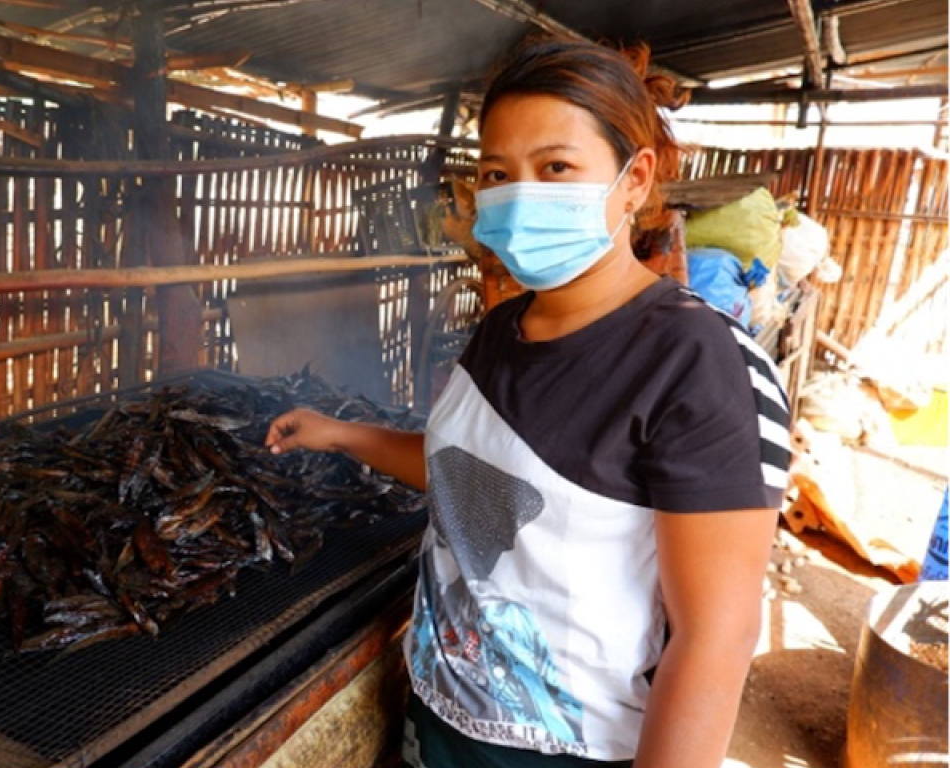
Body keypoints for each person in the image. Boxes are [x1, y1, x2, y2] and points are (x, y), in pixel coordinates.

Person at [264, 36, 790, 768]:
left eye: (556, 168)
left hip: (565, 753)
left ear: (634, 179)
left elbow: (716, 638)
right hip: (438, 717)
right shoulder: (499, 332)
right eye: (496, 174)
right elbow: (473, 478)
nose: (521, 196)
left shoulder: (702, 367)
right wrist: (342, 435)